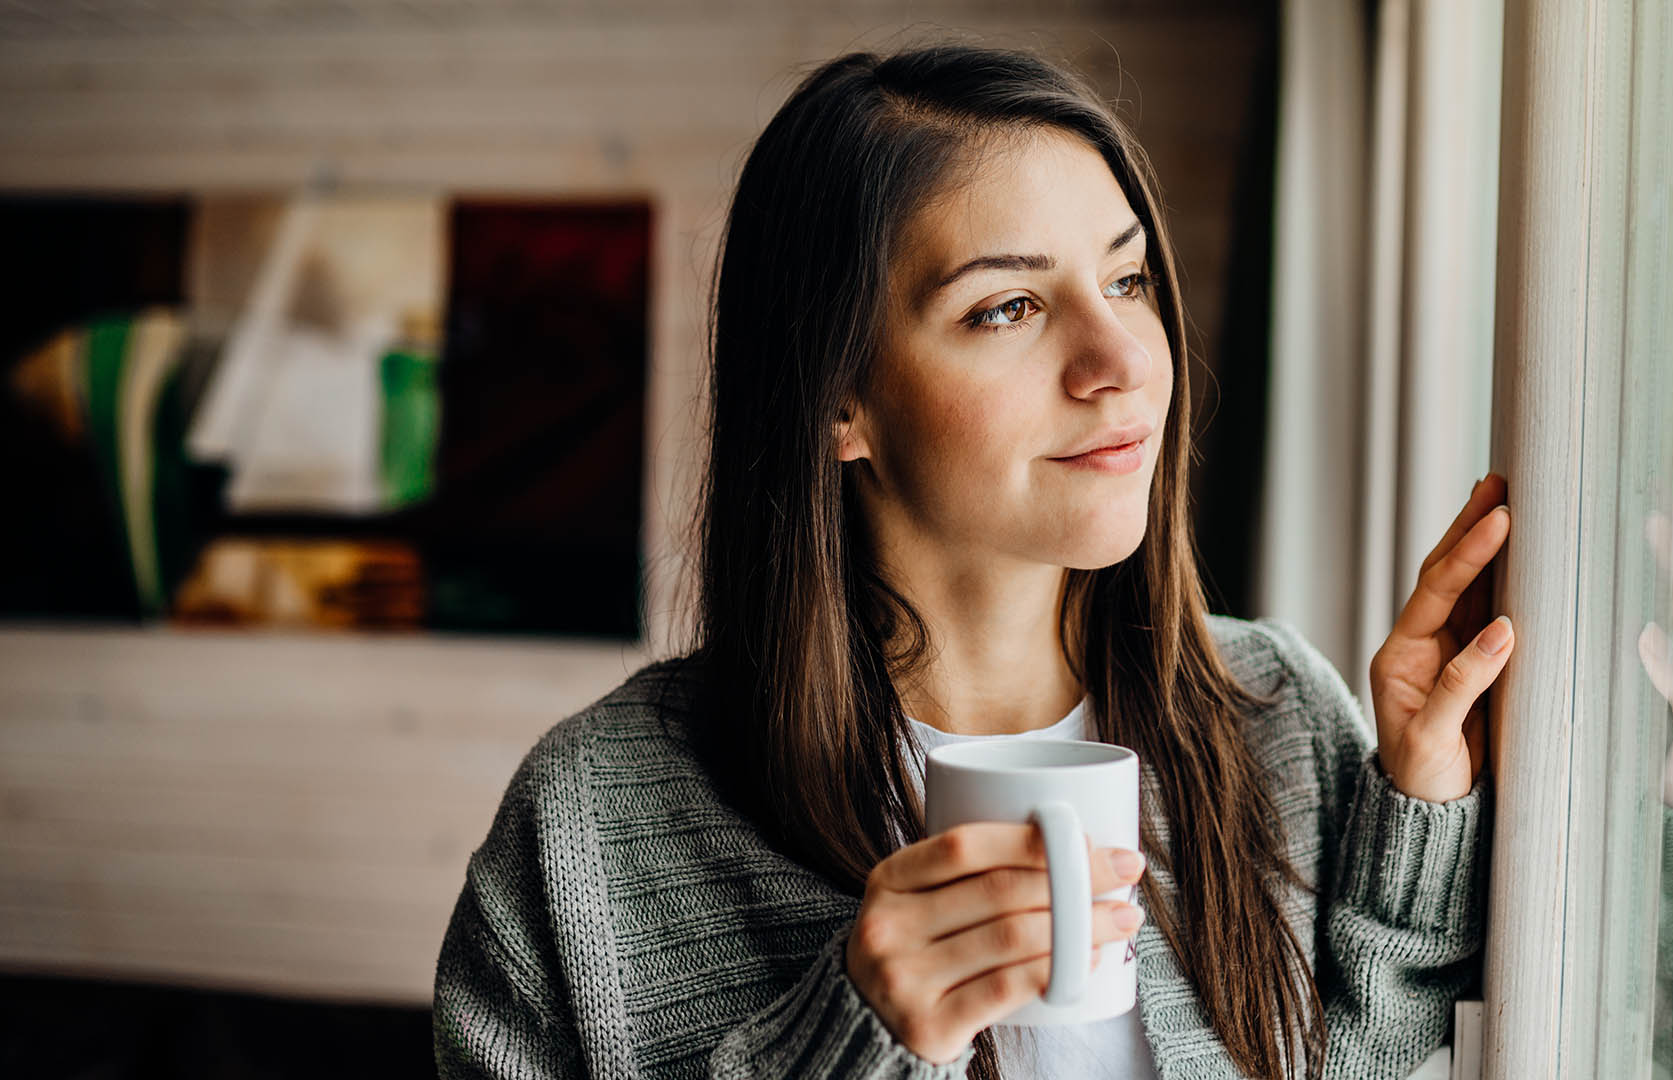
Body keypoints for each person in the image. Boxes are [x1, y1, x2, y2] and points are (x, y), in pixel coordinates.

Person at [431, 42, 1521, 1080]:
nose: (1122, 362)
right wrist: (855, 1033)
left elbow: (1358, 1053)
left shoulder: (1275, 715)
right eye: (1008, 306)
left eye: (1130, 282)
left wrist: (1416, 806)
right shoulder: (592, 822)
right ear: (838, 400)